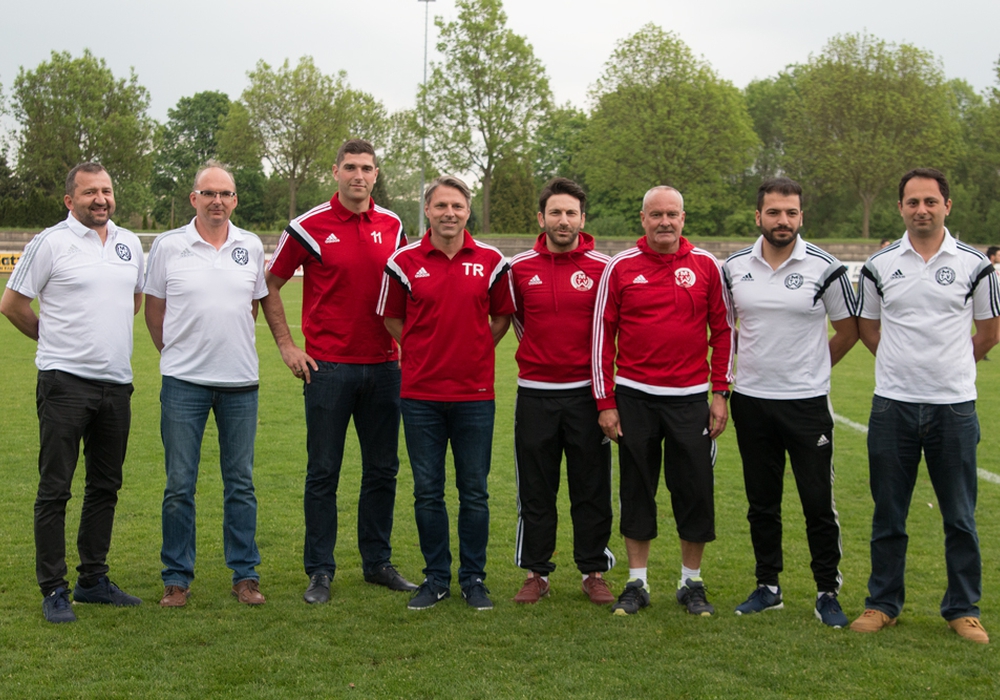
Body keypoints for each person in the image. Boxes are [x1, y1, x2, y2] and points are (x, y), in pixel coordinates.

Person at [261, 139, 416, 604]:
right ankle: (321, 571)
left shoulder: (393, 225)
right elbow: (268, 284)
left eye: (367, 168)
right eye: (350, 167)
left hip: (385, 369)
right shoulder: (308, 226)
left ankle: (377, 563)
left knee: (382, 471)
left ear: (375, 173)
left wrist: (412, 346)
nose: (359, 176)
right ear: (335, 171)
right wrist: (287, 345)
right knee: (323, 471)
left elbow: (409, 288)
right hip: (327, 370)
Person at [852, 168, 1000, 644]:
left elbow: (989, 332)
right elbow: (869, 330)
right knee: (888, 512)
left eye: (930, 202)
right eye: (913, 202)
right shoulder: (878, 265)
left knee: (959, 514)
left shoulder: (975, 265)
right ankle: (882, 604)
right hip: (892, 406)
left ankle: (963, 608)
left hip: (953, 408)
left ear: (947, 206)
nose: (922, 209)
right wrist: (903, 368)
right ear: (900, 208)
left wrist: (952, 367)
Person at [1, 163, 144, 623]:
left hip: (116, 385)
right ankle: (54, 588)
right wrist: (53, 339)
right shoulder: (51, 242)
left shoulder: (129, 243)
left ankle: (93, 580)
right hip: (64, 384)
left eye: (106, 190)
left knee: (105, 487)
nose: (100, 199)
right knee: (55, 489)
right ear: (70, 200)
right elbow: (12, 304)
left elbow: (133, 299)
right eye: (89, 193)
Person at [722, 177, 858, 627]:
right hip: (751, 401)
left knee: (817, 502)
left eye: (792, 213)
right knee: (762, 502)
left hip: (806, 405)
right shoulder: (734, 267)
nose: (784, 221)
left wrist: (813, 369)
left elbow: (848, 330)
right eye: (775, 212)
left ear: (802, 216)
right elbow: (726, 333)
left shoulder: (827, 267)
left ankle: (826, 592)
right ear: (758, 216)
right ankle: (768, 586)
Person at [592, 185, 733, 616]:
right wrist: (606, 401)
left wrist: (720, 393)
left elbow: (724, 331)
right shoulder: (620, 267)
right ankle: (637, 582)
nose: (665, 222)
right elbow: (602, 335)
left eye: (672, 214)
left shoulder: (707, 265)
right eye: (656, 215)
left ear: (683, 219)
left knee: (694, 492)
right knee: (637, 490)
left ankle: (692, 583)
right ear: (643, 219)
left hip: (690, 401)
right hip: (634, 399)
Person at [378, 176, 515, 611]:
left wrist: (472, 352)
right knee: (427, 491)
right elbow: (391, 320)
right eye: (441, 206)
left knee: (474, 491)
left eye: (457, 206)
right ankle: (435, 577)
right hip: (420, 395)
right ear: (428, 210)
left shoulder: (492, 261)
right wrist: (422, 352)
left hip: (475, 396)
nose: (449, 213)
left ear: (467, 210)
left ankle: (474, 579)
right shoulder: (403, 261)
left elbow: (500, 319)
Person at [144, 162, 267, 607]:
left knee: (241, 483)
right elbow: (153, 311)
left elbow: (250, 308)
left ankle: (245, 575)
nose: (218, 201)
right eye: (209, 193)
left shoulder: (250, 246)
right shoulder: (168, 246)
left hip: (240, 382)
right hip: (183, 384)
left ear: (235, 200)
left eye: (227, 194)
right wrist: (176, 353)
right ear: (194, 198)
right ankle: (176, 577)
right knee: (179, 483)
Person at [508, 178, 615, 605]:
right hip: (534, 394)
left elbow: (613, 330)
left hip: (588, 397)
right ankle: (537, 573)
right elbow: (516, 321)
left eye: (571, 213)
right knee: (536, 488)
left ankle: (593, 571)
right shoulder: (519, 268)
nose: (563, 220)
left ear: (582, 219)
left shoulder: (604, 267)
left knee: (591, 487)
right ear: (541, 218)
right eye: (555, 212)